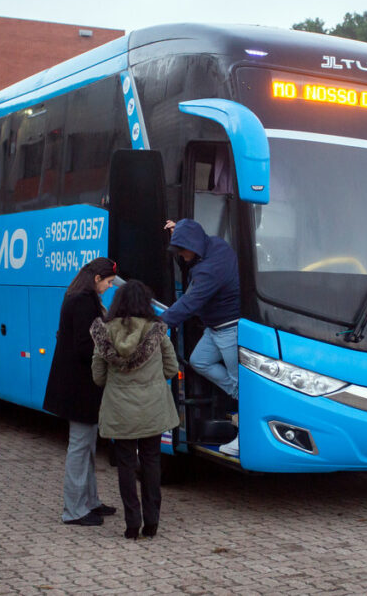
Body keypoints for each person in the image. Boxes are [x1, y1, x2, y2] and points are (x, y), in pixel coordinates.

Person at [90, 279, 180, 540]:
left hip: (120, 410)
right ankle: (152, 523)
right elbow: (172, 368)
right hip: (151, 408)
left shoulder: (104, 333)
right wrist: (152, 381)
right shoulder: (157, 331)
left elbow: (98, 376)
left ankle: (132, 523)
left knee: (126, 464)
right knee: (151, 461)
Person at [42, 257, 118, 527]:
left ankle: (89, 501)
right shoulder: (84, 302)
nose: (109, 287)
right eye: (108, 282)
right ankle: (74, 509)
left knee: (86, 445)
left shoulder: (78, 297)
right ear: (97, 279)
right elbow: (86, 346)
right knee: (80, 446)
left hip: (76, 385)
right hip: (79, 386)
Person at [160, 218, 241, 456]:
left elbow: (189, 303)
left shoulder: (209, 271)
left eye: (182, 251)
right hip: (214, 329)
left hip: (229, 329)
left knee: (241, 385)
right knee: (199, 361)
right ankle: (239, 392)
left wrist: (159, 322)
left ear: (193, 248)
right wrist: (180, 234)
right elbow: (191, 246)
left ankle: (243, 438)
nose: (181, 256)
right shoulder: (215, 245)